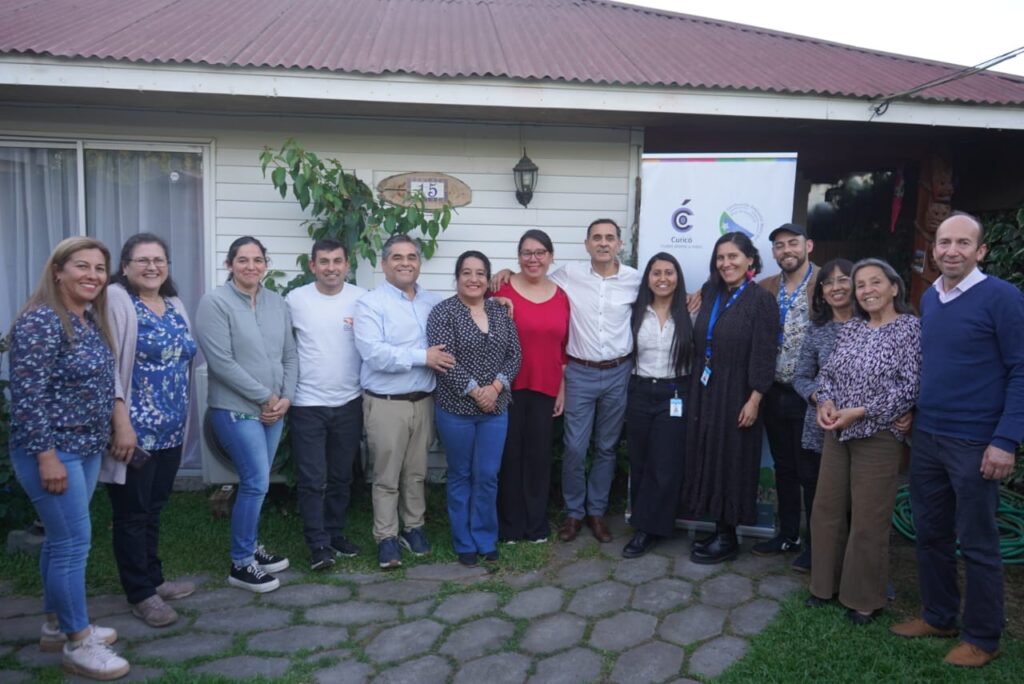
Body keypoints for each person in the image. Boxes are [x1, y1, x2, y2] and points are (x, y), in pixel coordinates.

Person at [890, 214, 1024, 667]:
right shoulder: (931, 297)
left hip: (975, 441)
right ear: (933, 249)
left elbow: (1021, 370)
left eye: (962, 243)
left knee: (979, 542)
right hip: (928, 435)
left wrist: (1006, 440)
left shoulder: (1003, 299)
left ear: (980, 251)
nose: (951, 250)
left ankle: (983, 638)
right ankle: (939, 615)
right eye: (943, 242)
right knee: (930, 534)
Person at [8, 237, 130, 680]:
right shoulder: (41, 322)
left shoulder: (88, 319)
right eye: (82, 266)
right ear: (57, 270)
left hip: (84, 447)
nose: (92, 276)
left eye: (100, 268)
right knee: (73, 543)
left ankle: (55, 624)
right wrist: (46, 456)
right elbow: (27, 396)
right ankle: (79, 643)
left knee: (63, 540)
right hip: (53, 450)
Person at [493, 218, 641, 543]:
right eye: (597, 238)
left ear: (619, 244)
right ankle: (574, 513)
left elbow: (665, 293)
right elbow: (530, 273)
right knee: (574, 447)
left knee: (606, 447)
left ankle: (597, 512)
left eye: (610, 238)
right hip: (580, 372)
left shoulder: (636, 280)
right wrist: (501, 271)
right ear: (586, 244)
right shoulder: (567, 276)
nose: (603, 243)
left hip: (618, 372)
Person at [806, 258, 920, 625]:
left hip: (879, 434)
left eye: (875, 282)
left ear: (894, 288)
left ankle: (863, 598)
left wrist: (862, 411)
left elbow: (909, 387)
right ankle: (823, 586)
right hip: (838, 431)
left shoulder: (910, 329)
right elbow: (829, 375)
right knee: (827, 510)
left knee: (869, 519)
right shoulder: (853, 328)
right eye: (861, 285)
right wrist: (825, 402)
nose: (867, 290)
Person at [103, 234, 197, 627]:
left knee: (154, 508)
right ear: (125, 267)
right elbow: (107, 364)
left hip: (172, 431)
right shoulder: (116, 300)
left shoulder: (174, 305)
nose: (152, 266)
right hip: (134, 433)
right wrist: (120, 424)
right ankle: (139, 593)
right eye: (142, 260)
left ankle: (154, 579)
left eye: (159, 259)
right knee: (131, 513)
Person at [195, 236, 297, 593]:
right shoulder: (215, 302)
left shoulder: (276, 303)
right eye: (242, 260)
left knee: (258, 482)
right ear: (229, 264)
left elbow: (290, 355)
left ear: (265, 264)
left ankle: (251, 547)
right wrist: (266, 397)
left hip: (275, 409)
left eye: (257, 260)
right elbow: (221, 363)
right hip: (236, 409)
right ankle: (241, 564)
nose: (250, 266)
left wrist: (286, 398)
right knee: (256, 481)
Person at [354, 234, 454, 569]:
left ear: (419, 263)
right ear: (384, 264)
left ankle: (414, 528)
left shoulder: (433, 302)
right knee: (386, 474)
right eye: (397, 257)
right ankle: (386, 537)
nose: (405, 263)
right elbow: (374, 353)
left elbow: (467, 316)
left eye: (411, 256)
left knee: (416, 472)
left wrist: (499, 300)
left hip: (424, 401)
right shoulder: (371, 304)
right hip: (386, 403)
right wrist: (421, 357)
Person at [682, 232, 778, 564]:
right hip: (706, 387)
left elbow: (766, 355)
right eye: (721, 258)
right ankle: (716, 525)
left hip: (739, 390)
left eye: (734, 256)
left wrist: (755, 399)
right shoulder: (710, 293)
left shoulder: (761, 301)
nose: (727, 263)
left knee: (732, 457)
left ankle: (729, 537)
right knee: (708, 454)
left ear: (750, 260)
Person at [427, 251, 522, 566]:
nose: (473, 279)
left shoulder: (499, 311)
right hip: (456, 410)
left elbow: (514, 355)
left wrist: (495, 388)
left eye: (480, 273)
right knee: (460, 474)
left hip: (496, 410)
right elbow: (444, 360)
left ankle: (485, 537)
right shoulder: (443, 313)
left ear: (487, 278)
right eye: (466, 272)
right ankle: (463, 541)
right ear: (457, 277)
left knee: (487, 474)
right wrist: (475, 391)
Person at [286, 238, 366, 571]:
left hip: (349, 400)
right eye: (324, 261)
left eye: (337, 261)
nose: (331, 268)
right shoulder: (295, 300)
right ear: (312, 266)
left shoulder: (361, 300)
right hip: (307, 403)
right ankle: (317, 543)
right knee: (311, 477)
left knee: (340, 476)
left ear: (347, 265)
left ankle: (335, 533)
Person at [494, 230, 569, 544]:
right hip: (507, 387)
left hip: (546, 387)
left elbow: (563, 347)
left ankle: (536, 525)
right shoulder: (500, 289)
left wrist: (562, 388)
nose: (533, 258)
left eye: (540, 252)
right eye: (526, 252)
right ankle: (510, 526)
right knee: (509, 457)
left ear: (550, 256)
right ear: (518, 256)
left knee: (538, 458)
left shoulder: (562, 295)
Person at [754, 223, 820, 562]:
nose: (786, 251)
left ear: (807, 245)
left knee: (811, 471)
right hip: (774, 391)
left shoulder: (825, 283)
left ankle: (815, 544)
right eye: (779, 246)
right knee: (784, 467)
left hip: (809, 395)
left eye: (792, 244)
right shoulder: (766, 287)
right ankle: (788, 535)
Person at [622, 252, 694, 558]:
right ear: (647, 279)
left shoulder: (692, 311)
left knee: (664, 463)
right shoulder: (635, 312)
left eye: (669, 272)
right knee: (640, 460)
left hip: (675, 392)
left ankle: (649, 529)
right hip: (639, 390)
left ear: (677, 277)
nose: (663, 278)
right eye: (656, 273)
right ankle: (643, 520)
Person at [790, 258, 853, 572]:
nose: (836, 287)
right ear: (822, 293)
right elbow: (800, 376)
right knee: (815, 492)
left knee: (858, 500)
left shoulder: (875, 325)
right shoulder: (817, 331)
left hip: (861, 428)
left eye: (843, 280)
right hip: (819, 427)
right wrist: (821, 398)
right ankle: (816, 551)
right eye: (829, 282)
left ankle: (856, 563)